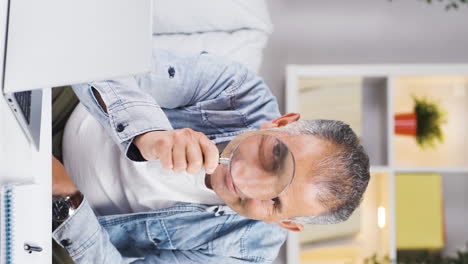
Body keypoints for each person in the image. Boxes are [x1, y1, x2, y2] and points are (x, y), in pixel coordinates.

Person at [52, 49, 370, 263]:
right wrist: (147, 135)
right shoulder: (236, 91)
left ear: (285, 223)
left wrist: (67, 207)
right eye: (274, 156)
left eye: (274, 201)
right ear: (281, 124)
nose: (244, 179)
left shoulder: (246, 251)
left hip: (65, 226)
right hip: (68, 110)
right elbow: (108, 60)